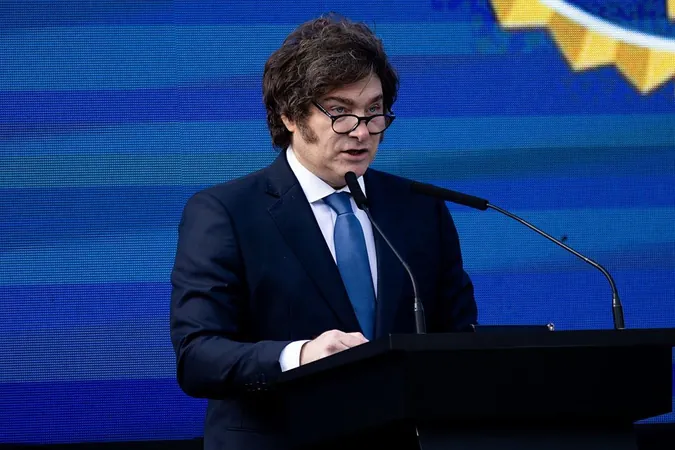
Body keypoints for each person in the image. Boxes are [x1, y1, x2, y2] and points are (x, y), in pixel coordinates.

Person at [170, 13, 478, 450]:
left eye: (373, 111)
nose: (362, 132)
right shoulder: (225, 213)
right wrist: (298, 355)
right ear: (290, 115)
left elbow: (457, 339)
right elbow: (198, 356)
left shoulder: (419, 208)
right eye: (339, 112)